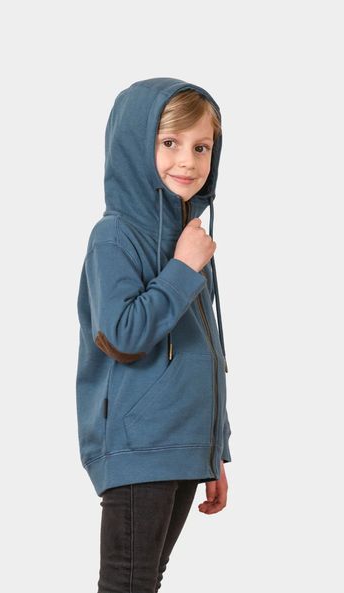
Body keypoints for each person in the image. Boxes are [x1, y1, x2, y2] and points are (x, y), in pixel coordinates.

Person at [76, 77, 233, 592]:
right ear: (135, 146)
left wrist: (214, 449)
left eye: (201, 147)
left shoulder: (189, 239)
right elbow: (122, 336)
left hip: (184, 443)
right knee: (128, 583)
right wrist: (182, 269)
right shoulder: (115, 236)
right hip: (140, 443)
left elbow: (205, 350)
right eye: (169, 143)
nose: (187, 160)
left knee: (146, 581)